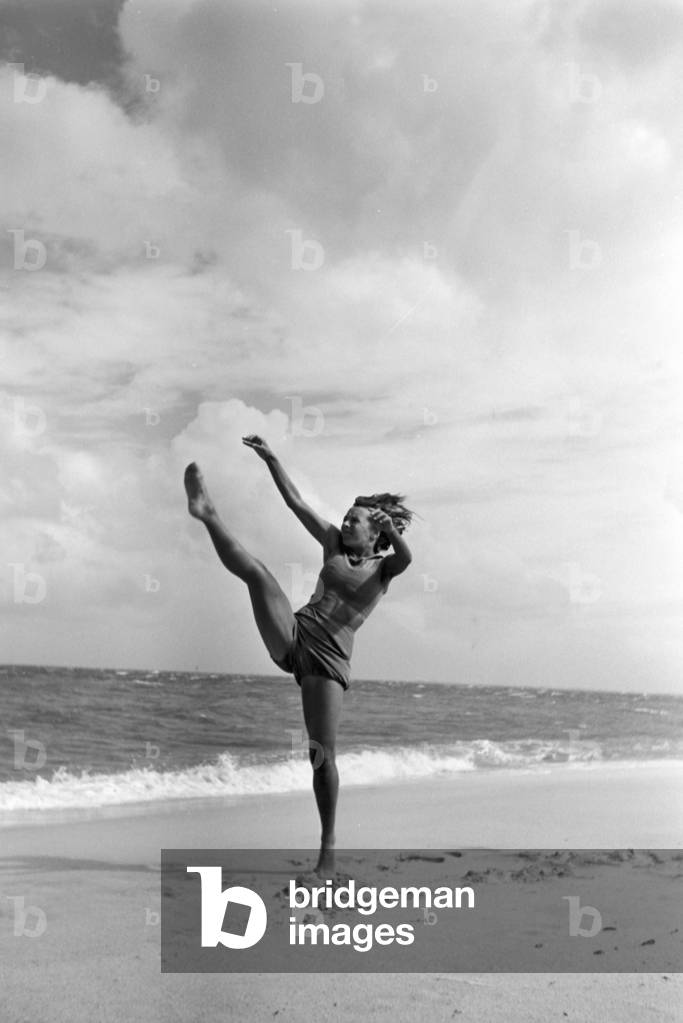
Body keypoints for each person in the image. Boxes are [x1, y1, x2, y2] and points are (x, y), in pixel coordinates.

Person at [183, 435, 414, 877]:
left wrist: (393, 531)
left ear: (376, 533)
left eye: (356, 520)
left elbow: (406, 555)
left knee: (320, 753)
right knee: (257, 574)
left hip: (328, 662)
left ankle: (327, 850)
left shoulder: (383, 569)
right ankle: (208, 515)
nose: (346, 523)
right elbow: (295, 502)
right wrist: (271, 458)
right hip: (296, 634)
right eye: (347, 516)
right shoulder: (331, 544)